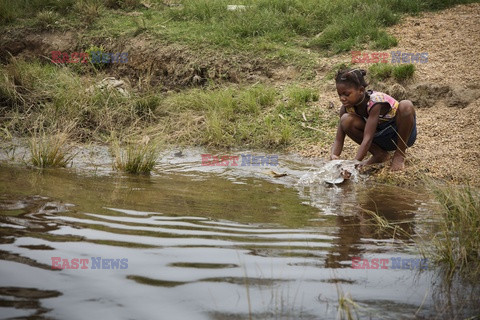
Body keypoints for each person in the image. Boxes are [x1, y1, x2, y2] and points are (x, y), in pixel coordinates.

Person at [329, 68, 416, 171]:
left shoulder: (375, 102)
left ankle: (400, 154)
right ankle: (380, 154)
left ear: (361, 90)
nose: (342, 98)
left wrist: (353, 165)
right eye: (340, 94)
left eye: (346, 94)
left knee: (406, 105)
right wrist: (333, 156)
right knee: (345, 120)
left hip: (400, 135)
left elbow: (368, 138)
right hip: (380, 137)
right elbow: (339, 139)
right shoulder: (346, 108)